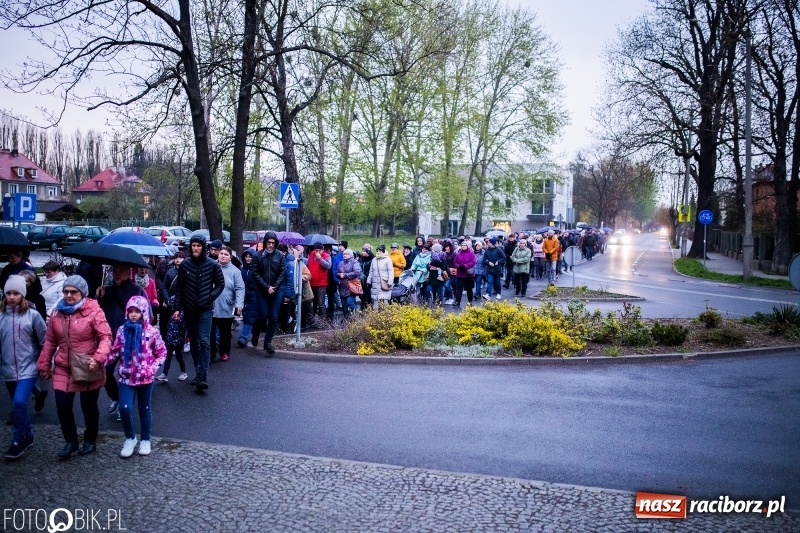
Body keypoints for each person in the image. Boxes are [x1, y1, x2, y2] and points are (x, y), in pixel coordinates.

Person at [37, 275, 112, 460]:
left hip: (87, 366)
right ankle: (70, 440)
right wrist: (44, 364)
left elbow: (106, 337)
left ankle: (90, 439)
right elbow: (50, 341)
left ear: (82, 294)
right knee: (62, 405)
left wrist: (98, 359)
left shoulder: (94, 311)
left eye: (74, 292)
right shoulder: (57, 313)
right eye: (66, 291)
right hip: (63, 366)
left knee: (88, 406)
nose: (69, 295)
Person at [106, 295, 166, 457]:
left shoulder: (152, 332)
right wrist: (100, 363)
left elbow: (162, 353)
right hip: (126, 377)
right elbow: (115, 351)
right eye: (130, 311)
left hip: (146, 378)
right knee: (125, 408)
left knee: (144, 409)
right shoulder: (121, 331)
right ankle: (130, 438)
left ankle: (145, 439)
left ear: (144, 313)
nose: (133, 314)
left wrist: (153, 368)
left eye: (137, 312)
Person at [1, 276, 47, 460]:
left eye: (16, 293)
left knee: (20, 402)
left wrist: (45, 363)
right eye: (9, 293)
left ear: (23, 295)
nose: (12, 297)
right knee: (18, 406)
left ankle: (17, 440)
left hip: (28, 367)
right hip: (8, 369)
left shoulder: (33, 315)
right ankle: (28, 435)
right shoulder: (1, 316)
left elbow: (45, 340)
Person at [172, 234, 225, 392]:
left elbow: (220, 284)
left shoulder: (212, 265)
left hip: (205, 309)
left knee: (204, 341)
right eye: (193, 245)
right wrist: (176, 308)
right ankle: (197, 371)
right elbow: (179, 287)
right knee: (194, 342)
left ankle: (202, 375)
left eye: (198, 246)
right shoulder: (185, 265)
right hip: (189, 309)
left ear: (203, 248)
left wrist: (210, 297)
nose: (195, 248)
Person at [98, 264, 147, 419]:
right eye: (114, 270)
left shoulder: (136, 290)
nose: (117, 274)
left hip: (130, 338)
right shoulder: (106, 290)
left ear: (128, 272)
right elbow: (97, 314)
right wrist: (99, 297)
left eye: (121, 271)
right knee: (104, 371)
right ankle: (117, 397)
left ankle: (126, 406)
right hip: (110, 338)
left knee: (128, 373)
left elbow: (144, 315)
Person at [251, 231, 286, 355]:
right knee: (263, 315)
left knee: (273, 316)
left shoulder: (280, 255)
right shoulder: (257, 256)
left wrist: (274, 287)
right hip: (262, 290)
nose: (271, 245)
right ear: (265, 242)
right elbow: (255, 273)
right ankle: (255, 335)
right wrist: (266, 287)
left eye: (273, 243)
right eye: (269, 242)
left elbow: (283, 273)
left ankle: (268, 342)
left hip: (276, 291)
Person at [209, 246, 244, 363]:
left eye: (226, 254)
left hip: (227, 305)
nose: (223, 256)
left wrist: (239, 304)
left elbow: (240, 288)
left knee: (225, 332)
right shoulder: (210, 265)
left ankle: (224, 352)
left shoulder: (235, 271)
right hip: (210, 304)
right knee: (210, 332)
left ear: (230, 257)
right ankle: (211, 353)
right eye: (221, 253)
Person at [237, 249, 258, 347]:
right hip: (242, 296)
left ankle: (243, 337)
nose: (248, 259)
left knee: (249, 318)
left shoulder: (257, 269)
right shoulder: (242, 269)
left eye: (250, 257)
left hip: (253, 297)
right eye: (246, 257)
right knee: (243, 317)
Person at [336, 249, 362, 320]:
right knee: (344, 306)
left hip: (352, 286)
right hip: (342, 286)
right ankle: (346, 320)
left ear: (350, 255)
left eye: (347, 254)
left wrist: (345, 275)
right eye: (344, 254)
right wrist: (339, 275)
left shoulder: (355, 262)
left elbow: (357, 272)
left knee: (349, 302)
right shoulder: (341, 263)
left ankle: (356, 317)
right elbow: (337, 273)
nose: (345, 255)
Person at [307, 243, 331, 321]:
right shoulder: (311, 255)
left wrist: (320, 259)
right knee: (312, 302)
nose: (317, 252)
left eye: (319, 250)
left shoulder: (327, 256)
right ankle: (311, 319)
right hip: (311, 282)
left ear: (322, 249)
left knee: (321, 303)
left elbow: (328, 266)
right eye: (316, 250)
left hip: (321, 283)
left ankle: (323, 320)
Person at [452, 240, 476, 308]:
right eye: (462, 245)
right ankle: (457, 302)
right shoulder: (458, 253)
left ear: (467, 246)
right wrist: (458, 266)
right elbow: (455, 262)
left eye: (464, 245)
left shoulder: (471, 253)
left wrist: (465, 266)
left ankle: (470, 302)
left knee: (469, 288)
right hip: (460, 273)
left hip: (468, 274)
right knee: (459, 288)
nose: (463, 246)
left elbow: (473, 262)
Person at [358, 244, 374, 310]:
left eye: (364, 251)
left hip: (369, 280)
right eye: (362, 251)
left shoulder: (372, 259)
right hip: (362, 279)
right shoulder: (361, 260)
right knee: (362, 294)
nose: (362, 252)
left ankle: (366, 307)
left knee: (367, 293)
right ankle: (365, 305)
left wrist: (367, 276)